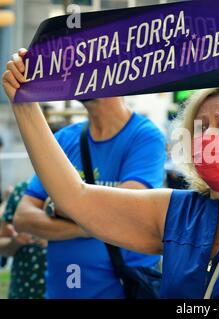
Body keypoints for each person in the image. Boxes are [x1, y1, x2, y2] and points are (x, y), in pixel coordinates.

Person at [2, 28, 219, 298]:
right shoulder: (173, 212)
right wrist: (26, 104)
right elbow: (74, 196)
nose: (208, 137)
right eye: (200, 128)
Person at [12, 97, 166, 298]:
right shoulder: (64, 139)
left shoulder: (145, 136)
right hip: (61, 290)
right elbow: (23, 218)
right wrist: (90, 225)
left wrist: (55, 205)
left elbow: (124, 211)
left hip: (121, 289)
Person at [0, 181, 47, 299]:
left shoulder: (75, 191)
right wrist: (16, 241)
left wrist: (56, 236)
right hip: (24, 290)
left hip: (67, 286)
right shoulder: (21, 190)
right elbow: (2, 243)